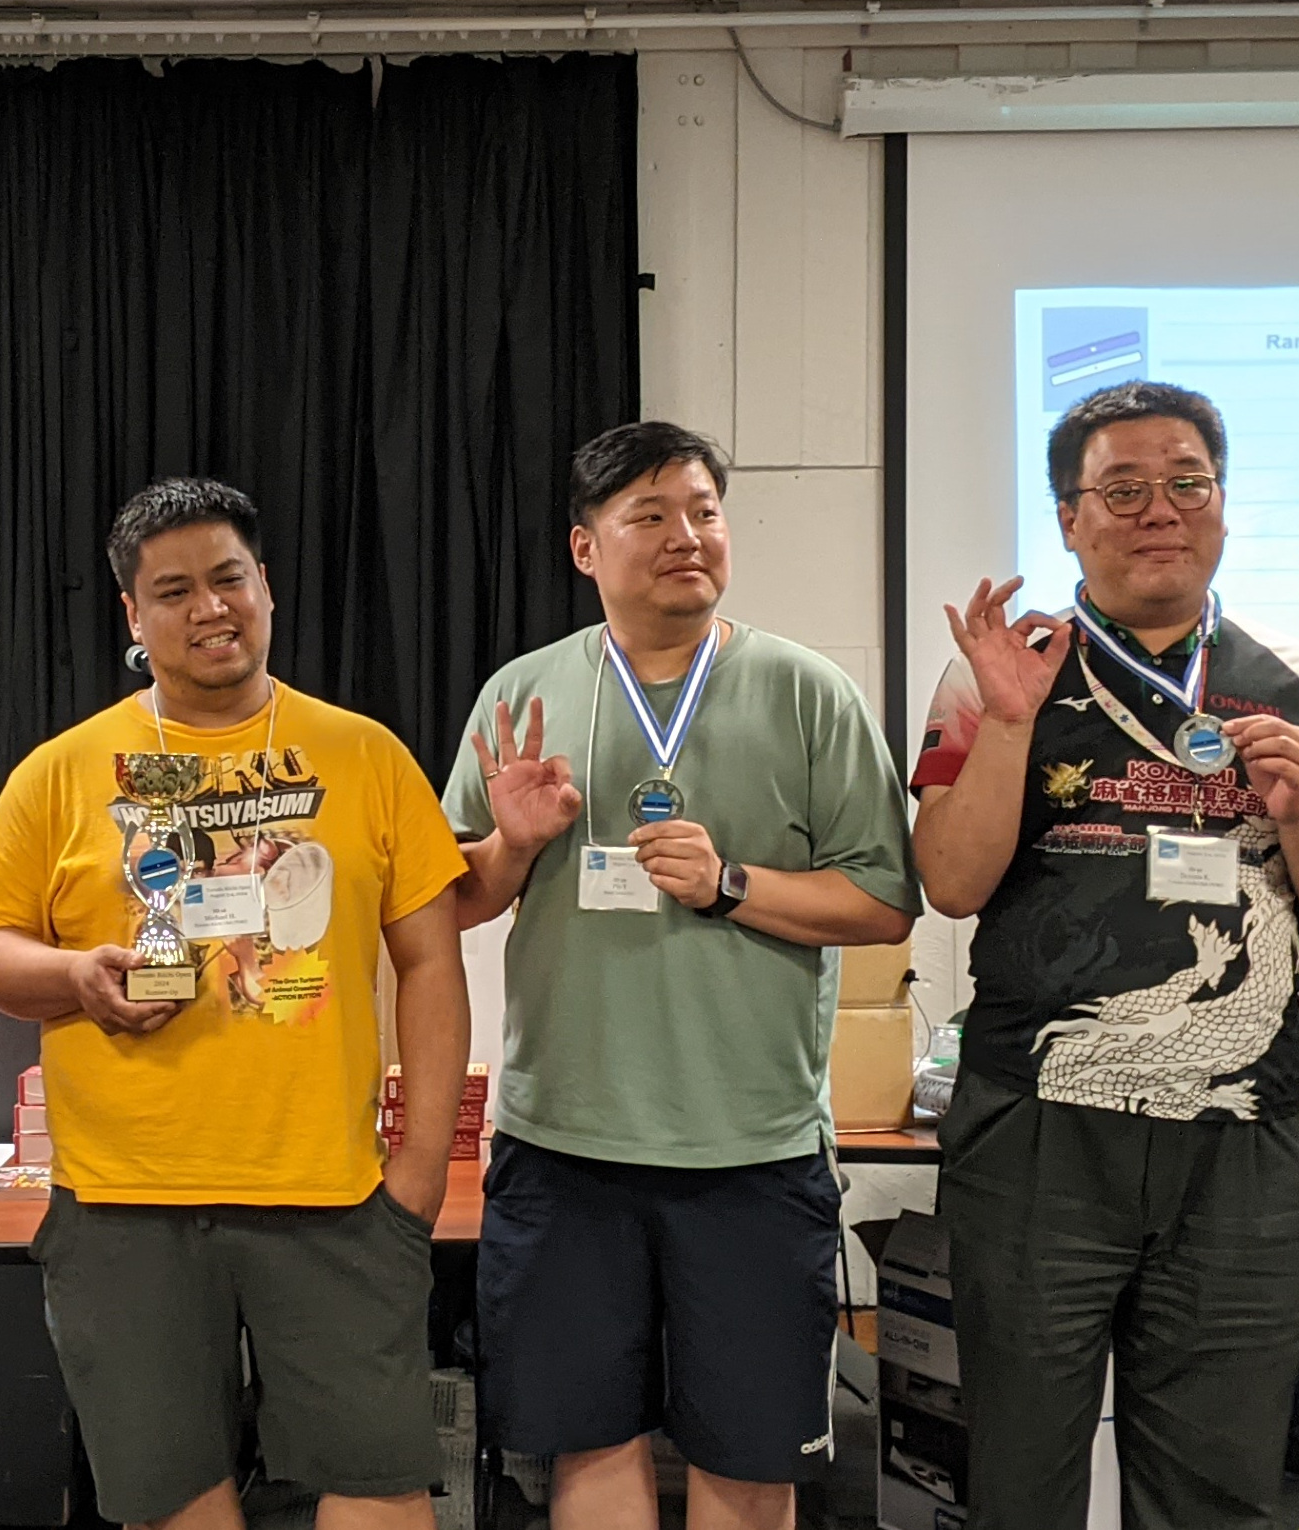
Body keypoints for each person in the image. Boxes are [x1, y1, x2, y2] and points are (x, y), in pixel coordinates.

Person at [908, 380, 1299, 1528]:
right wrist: (1014, 723)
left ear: (1225, 508)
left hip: (1243, 1145)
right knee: (1020, 1476)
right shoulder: (1003, 668)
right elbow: (952, 880)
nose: (1158, 509)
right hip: (1039, 1129)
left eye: (1187, 484)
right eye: (1120, 489)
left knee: (1215, 1486)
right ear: (1070, 518)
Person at [0, 477, 473, 1530]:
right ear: (134, 618)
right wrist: (73, 978)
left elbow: (429, 958)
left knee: (379, 1487)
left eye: (229, 578)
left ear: (267, 589)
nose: (210, 608)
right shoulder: (62, 772)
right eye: (174, 590)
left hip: (331, 1196)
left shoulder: (364, 754)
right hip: (126, 1211)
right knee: (171, 1501)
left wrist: (417, 1169)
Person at [446, 422, 917, 1530]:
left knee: (748, 1465)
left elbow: (887, 903)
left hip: (749, 1146)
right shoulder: (524, 693)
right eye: (648, 516)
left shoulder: (810, 693)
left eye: (703, 511)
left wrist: (733, 885)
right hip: (565, 1142)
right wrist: (512, 843)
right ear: (583, 548)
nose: (685, 537)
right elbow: (452, 900)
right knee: (588, 1452)